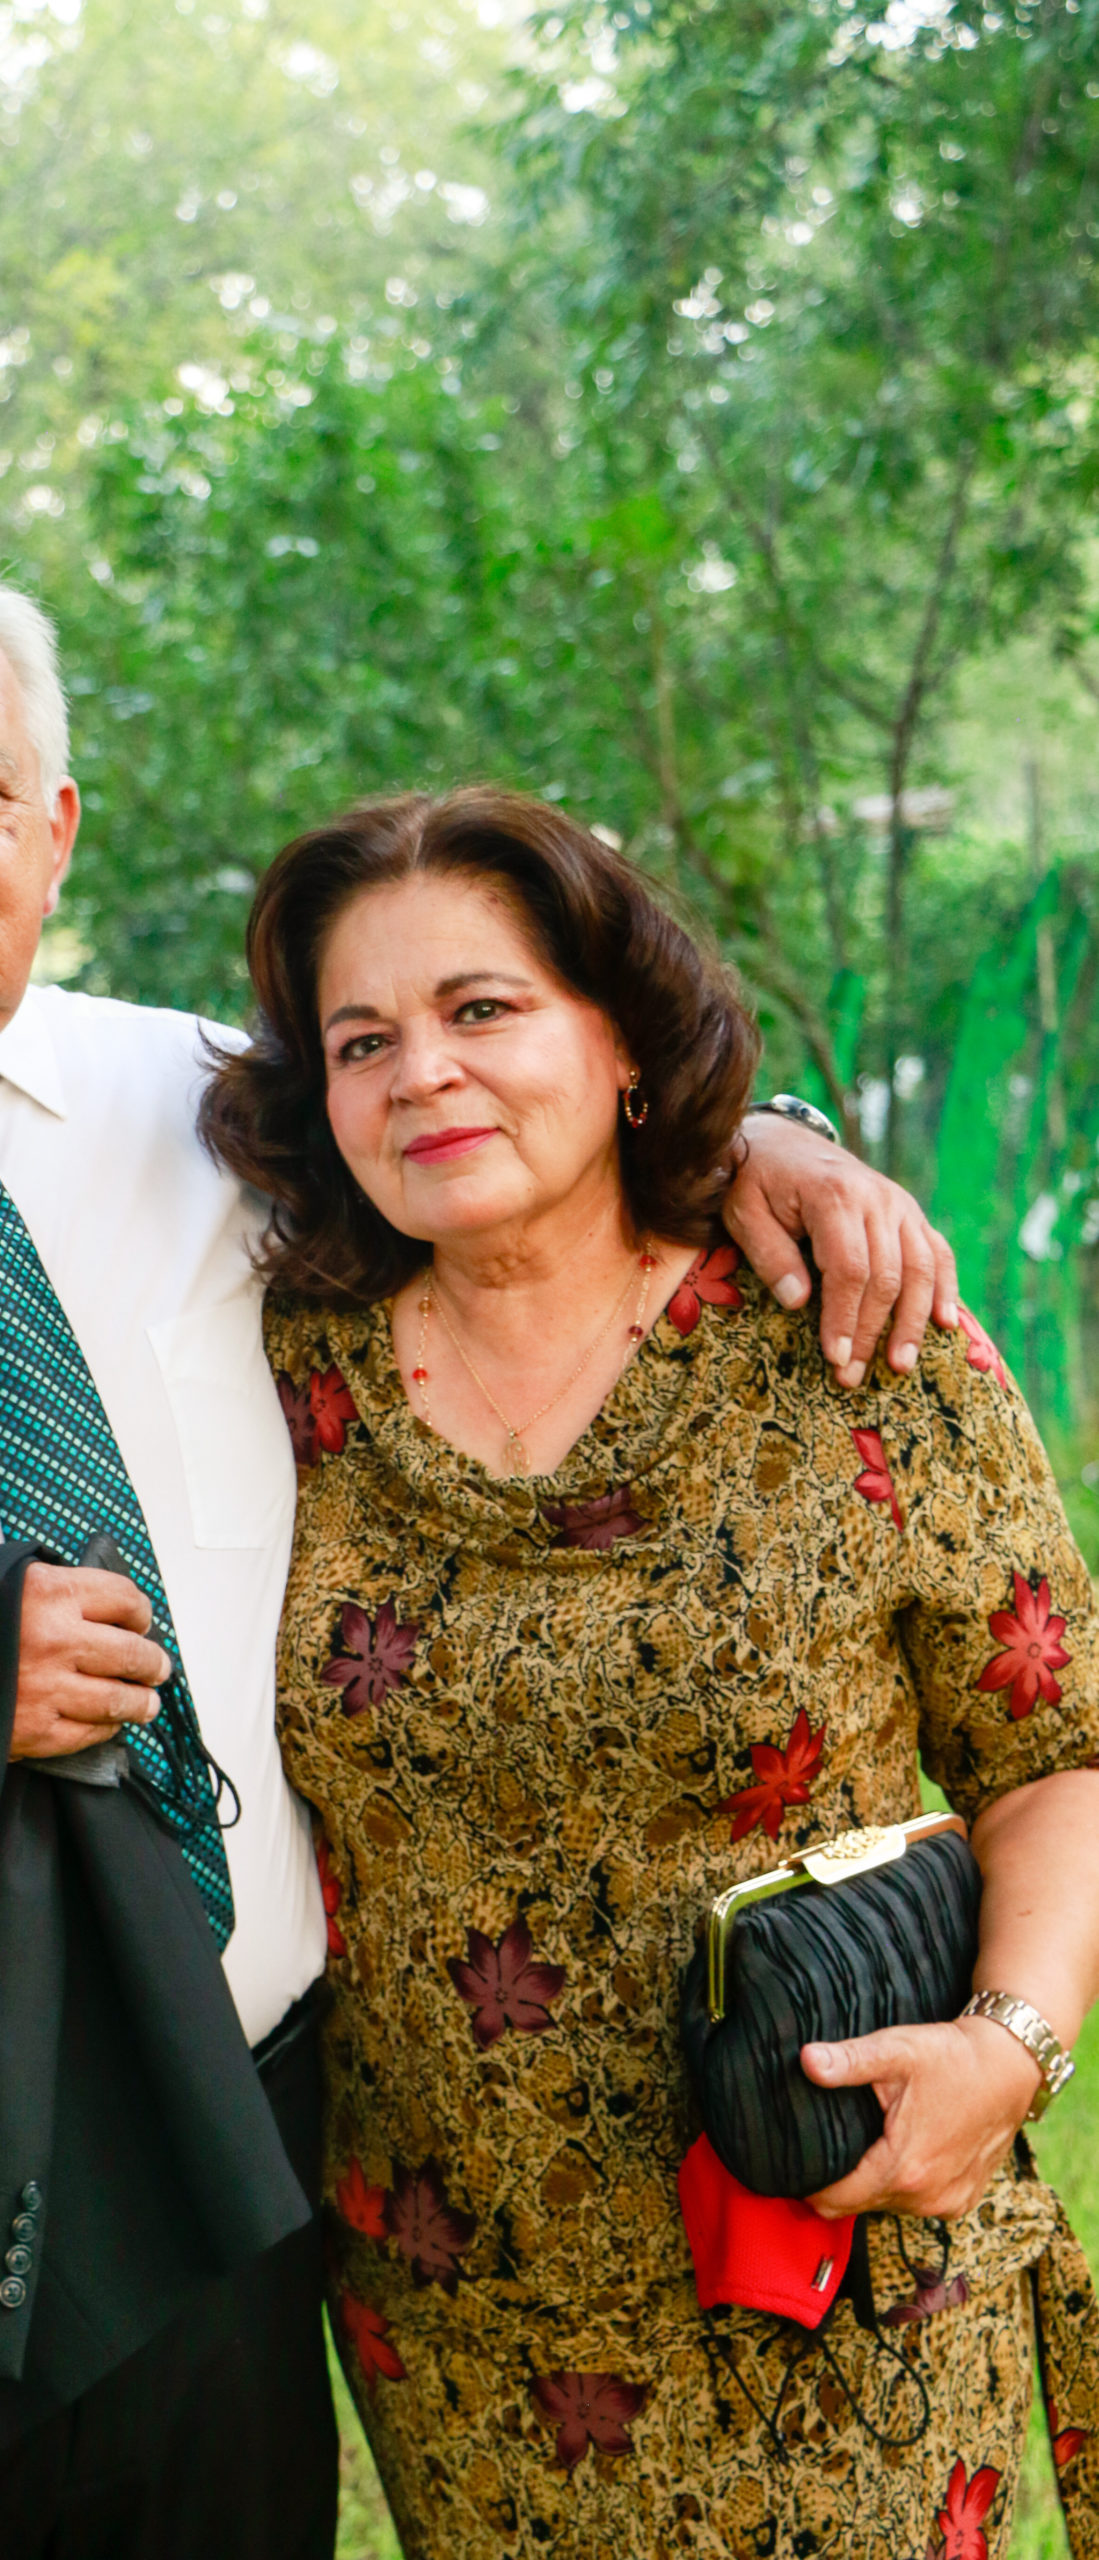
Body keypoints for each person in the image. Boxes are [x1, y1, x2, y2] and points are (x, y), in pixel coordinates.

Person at [0, 537, 953, 2559]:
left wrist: (765, 1139)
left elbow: (529, 1134)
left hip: (230, 2151)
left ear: (56, 828)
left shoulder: (242, 1113)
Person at [201, 785, 1099, 2560]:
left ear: (622, 1038)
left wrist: (1014, 2047)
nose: (423, 1077)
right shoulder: (270, 1375)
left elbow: (1057, 1750)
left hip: (834, 2241)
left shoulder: (853, 1334)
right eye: (362, 1039)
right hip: (454, 2301)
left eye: (483, 1010)